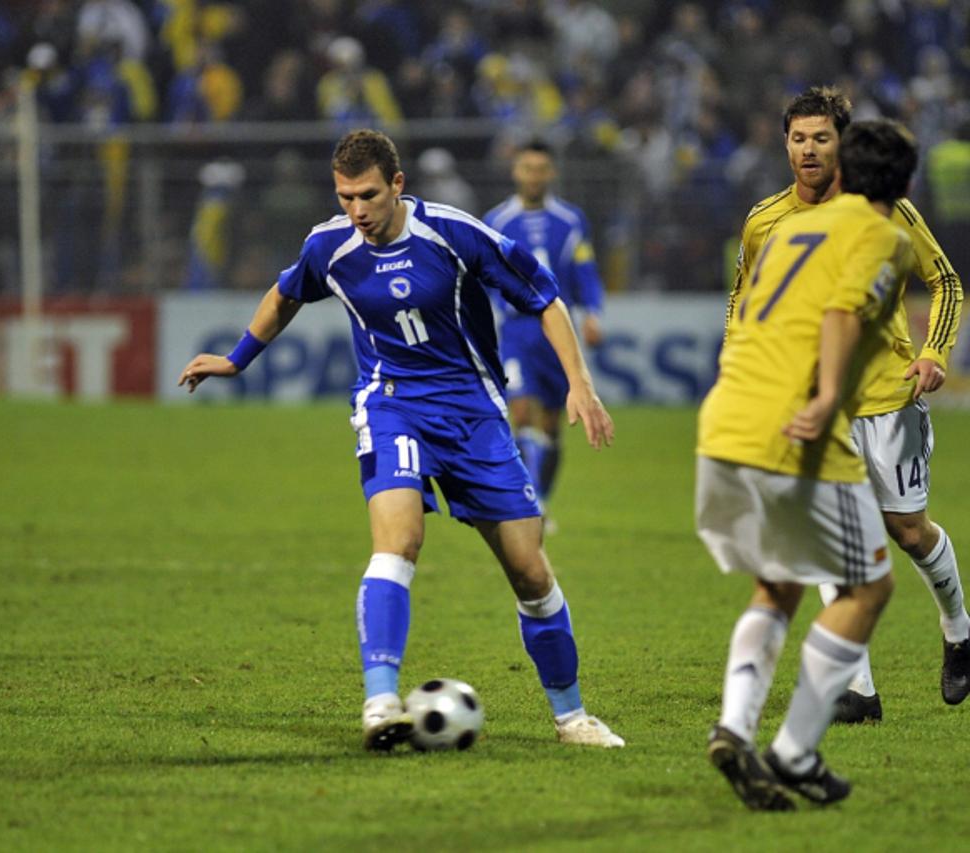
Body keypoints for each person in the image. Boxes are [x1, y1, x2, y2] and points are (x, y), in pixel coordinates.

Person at [179, 129, 624, 751]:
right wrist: (238, 358)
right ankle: (381, 703)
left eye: (366, 195)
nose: (356, 211)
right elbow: (285, 294)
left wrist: (579, 384)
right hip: (392, 407)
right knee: (399, 541)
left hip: (473, 412)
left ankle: (572, 716)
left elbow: (545, 295)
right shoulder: (329, 245)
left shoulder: (454, 233)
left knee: (530, 571)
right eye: (344, 198)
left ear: (397, 185)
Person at [727, 87, 968, 724]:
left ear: (843, 144)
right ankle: (858, 691)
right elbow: (742, 306)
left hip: (888, 397)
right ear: (785, 143)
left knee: (907, 531)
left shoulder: (885, 211)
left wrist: (934, 352)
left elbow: (945, 280)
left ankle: (960, 631)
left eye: (821, 138)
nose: (808, 150)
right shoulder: (764, 222)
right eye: (798, 138)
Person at [699, 119, 919, 810]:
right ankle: (794, 749)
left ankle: (735, 727)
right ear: (904, 185)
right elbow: (841, 313)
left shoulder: (790, 228)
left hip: (726, 416)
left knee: (780, 582)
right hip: (797, 428)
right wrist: (828, 398)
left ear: (845, 171)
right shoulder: (886, 237)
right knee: (869, 586)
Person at [485, 140, 605, 526]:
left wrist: (593, 313)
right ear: (515, 171)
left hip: (558, 330)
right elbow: (483, 277)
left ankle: (542, 500)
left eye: (540, 169)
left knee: (553, 425)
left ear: (551, 173)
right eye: (526, 168)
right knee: (520, 411)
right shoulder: (496, 221)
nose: (533, 176)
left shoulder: (571, 220)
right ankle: (529, 504)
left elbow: (584, 270)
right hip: (518, 330)